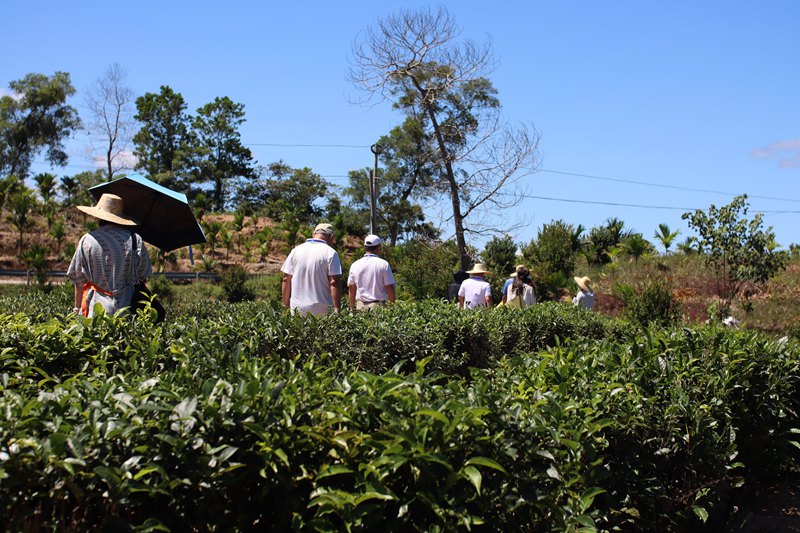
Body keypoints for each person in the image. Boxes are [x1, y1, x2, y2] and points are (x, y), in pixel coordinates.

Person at [67, 193, 152, 317]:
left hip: (95, 310)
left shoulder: (87, 240)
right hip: (127, 310)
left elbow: (78, 279)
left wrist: (76, 309)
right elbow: (143, 275)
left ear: (99, 217)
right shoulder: (134, 240)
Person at [281, 223, 342, 316]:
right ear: (331, 237)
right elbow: (334, 282)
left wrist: (286, 305)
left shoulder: (296, 250)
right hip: (322, 311)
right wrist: (337, 308)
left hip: (297, 310)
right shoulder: (331, 253)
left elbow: (286, 279)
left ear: (314, 234)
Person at [348, 234, 396, 311]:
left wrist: (351, 307)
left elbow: (352, 288)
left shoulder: (355, 264)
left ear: (365, 247)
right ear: (378, 247)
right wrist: (393, 307)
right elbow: (389, 287)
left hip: (360, 307)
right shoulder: (383, 264)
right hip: (377, 308)